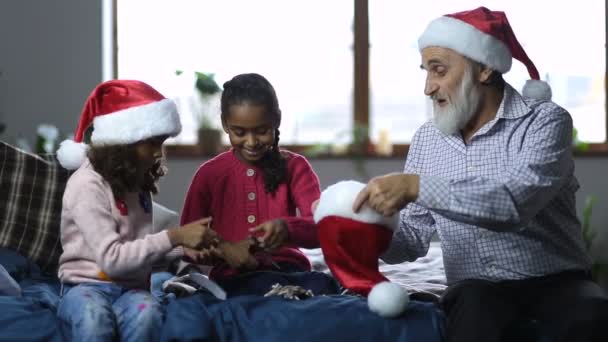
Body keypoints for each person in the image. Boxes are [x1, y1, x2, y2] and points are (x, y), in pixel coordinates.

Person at [350, 7, 608, 342]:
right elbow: (412, 237)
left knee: (592, 317)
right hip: (475, 288)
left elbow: (514, 203)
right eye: (426, 72)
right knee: (474, 310)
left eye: (438, 70)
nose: (428, 87)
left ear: (485, 68)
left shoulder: (545, 121)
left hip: (558, 280)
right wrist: (366, 235)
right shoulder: (427, 139)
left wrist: (416, 186)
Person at [55, 80, 219, 342]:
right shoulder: (86, 185)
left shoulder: (133, 182)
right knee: (92, 317)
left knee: (148, 313)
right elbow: (113, 259)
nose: (158, 154)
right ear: (124, 143)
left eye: (161, 144)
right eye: (152, 144)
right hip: (85, 286)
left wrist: (184, 250)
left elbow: (137, 250)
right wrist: (174, 236)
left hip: (132, 288)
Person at [181, 73, 338, 296]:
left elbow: (322, 228)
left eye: (262, 131)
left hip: (290, 272)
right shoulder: (209, 174)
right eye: (240, 132)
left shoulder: (295, 167)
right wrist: (224, 250)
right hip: (232, 277)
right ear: (225, 124)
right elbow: (188, 240)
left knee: (327, 285)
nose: (252, 142)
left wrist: (287, 228)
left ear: (277, 120)